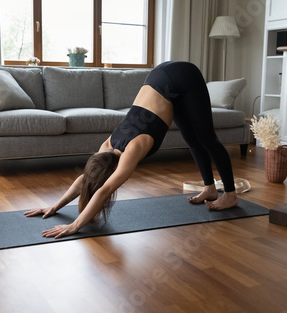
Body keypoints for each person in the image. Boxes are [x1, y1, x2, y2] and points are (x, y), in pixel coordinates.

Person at [24, 61, 238, 238]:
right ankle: (210, 188)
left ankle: (230, 194)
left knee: (207, 139)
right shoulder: (106, 146)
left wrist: (75, 225)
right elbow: (85, 180)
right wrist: (55, 206)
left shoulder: (131, 149)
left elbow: (104, 190)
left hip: (183, 75)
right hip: (160, 78)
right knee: (192, 139)